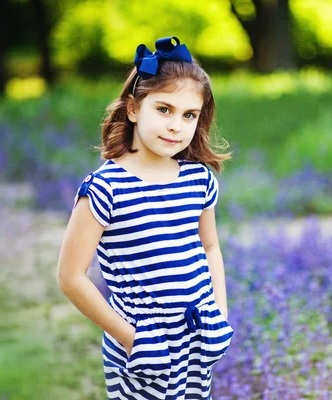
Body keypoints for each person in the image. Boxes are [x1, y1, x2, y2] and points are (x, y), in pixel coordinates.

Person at [56, 36, 234, 400]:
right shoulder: (105, 188)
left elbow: (210, 247)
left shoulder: (197, 179)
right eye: (164, 109)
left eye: (189, 115)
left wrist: (219, 315)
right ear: (134, 108)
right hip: (143, 347)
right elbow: (70, 277)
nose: (176, 126)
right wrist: (132, 340)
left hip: (197, 338)